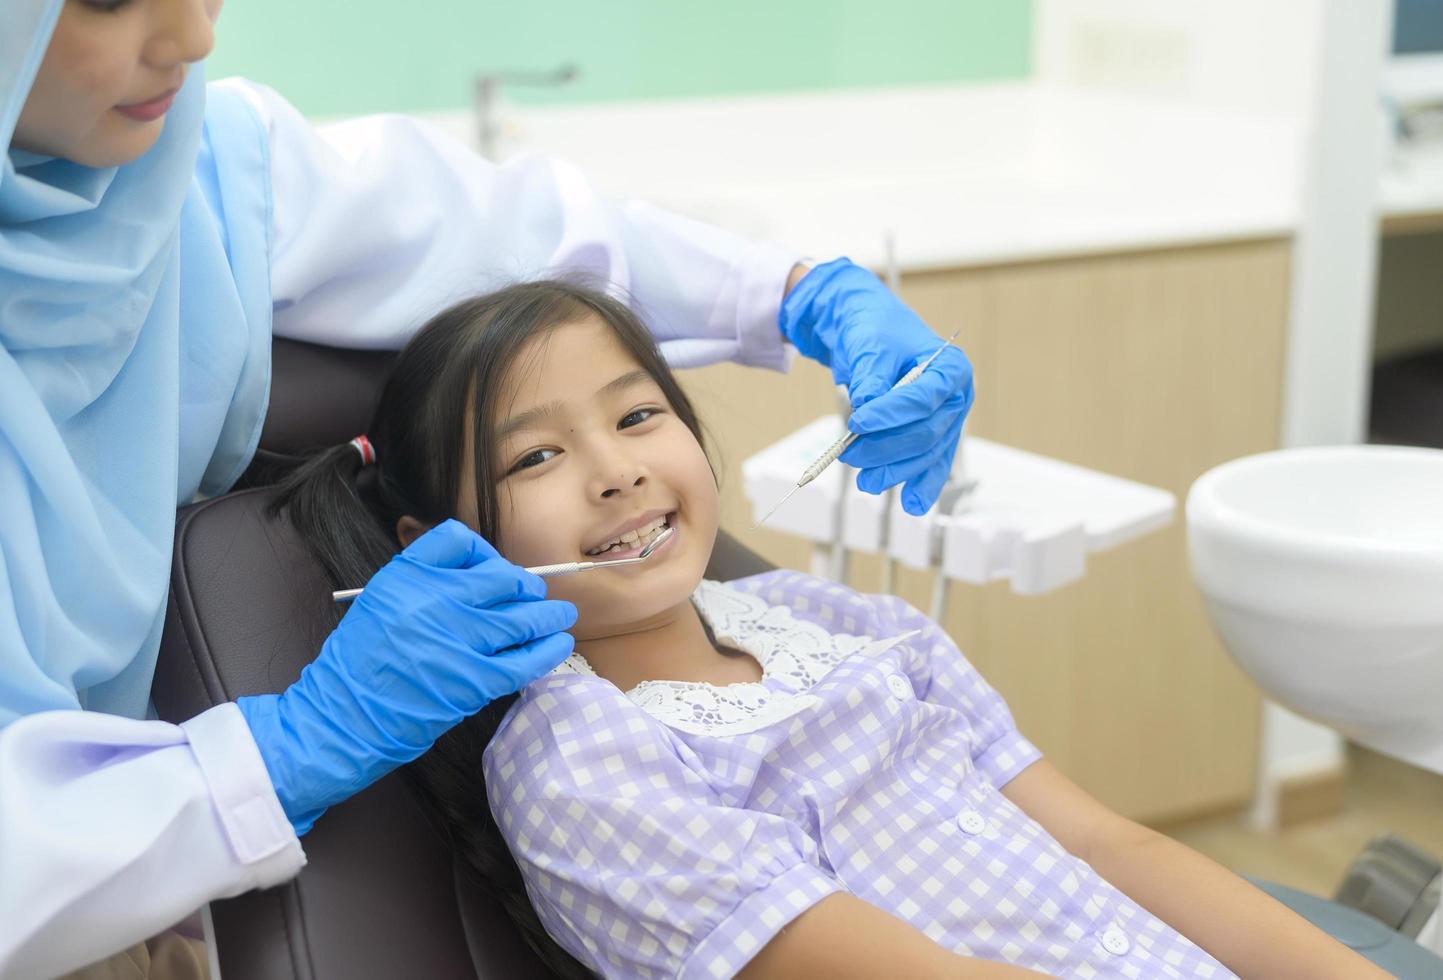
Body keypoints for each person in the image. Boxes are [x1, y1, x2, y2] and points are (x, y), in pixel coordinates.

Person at [0, 1, 974, 976]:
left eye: (638, 415)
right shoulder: (583, 775)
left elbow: (521, 247)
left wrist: (798, 295)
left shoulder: (197, 169)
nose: (193, 39)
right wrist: (284, 750)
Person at [274, 279, 1390, 980]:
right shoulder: (585, 768)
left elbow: (1110, 846)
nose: (616, 472)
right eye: (536, 456)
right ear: (440, 549)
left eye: (637, 415)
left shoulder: (840, 622)